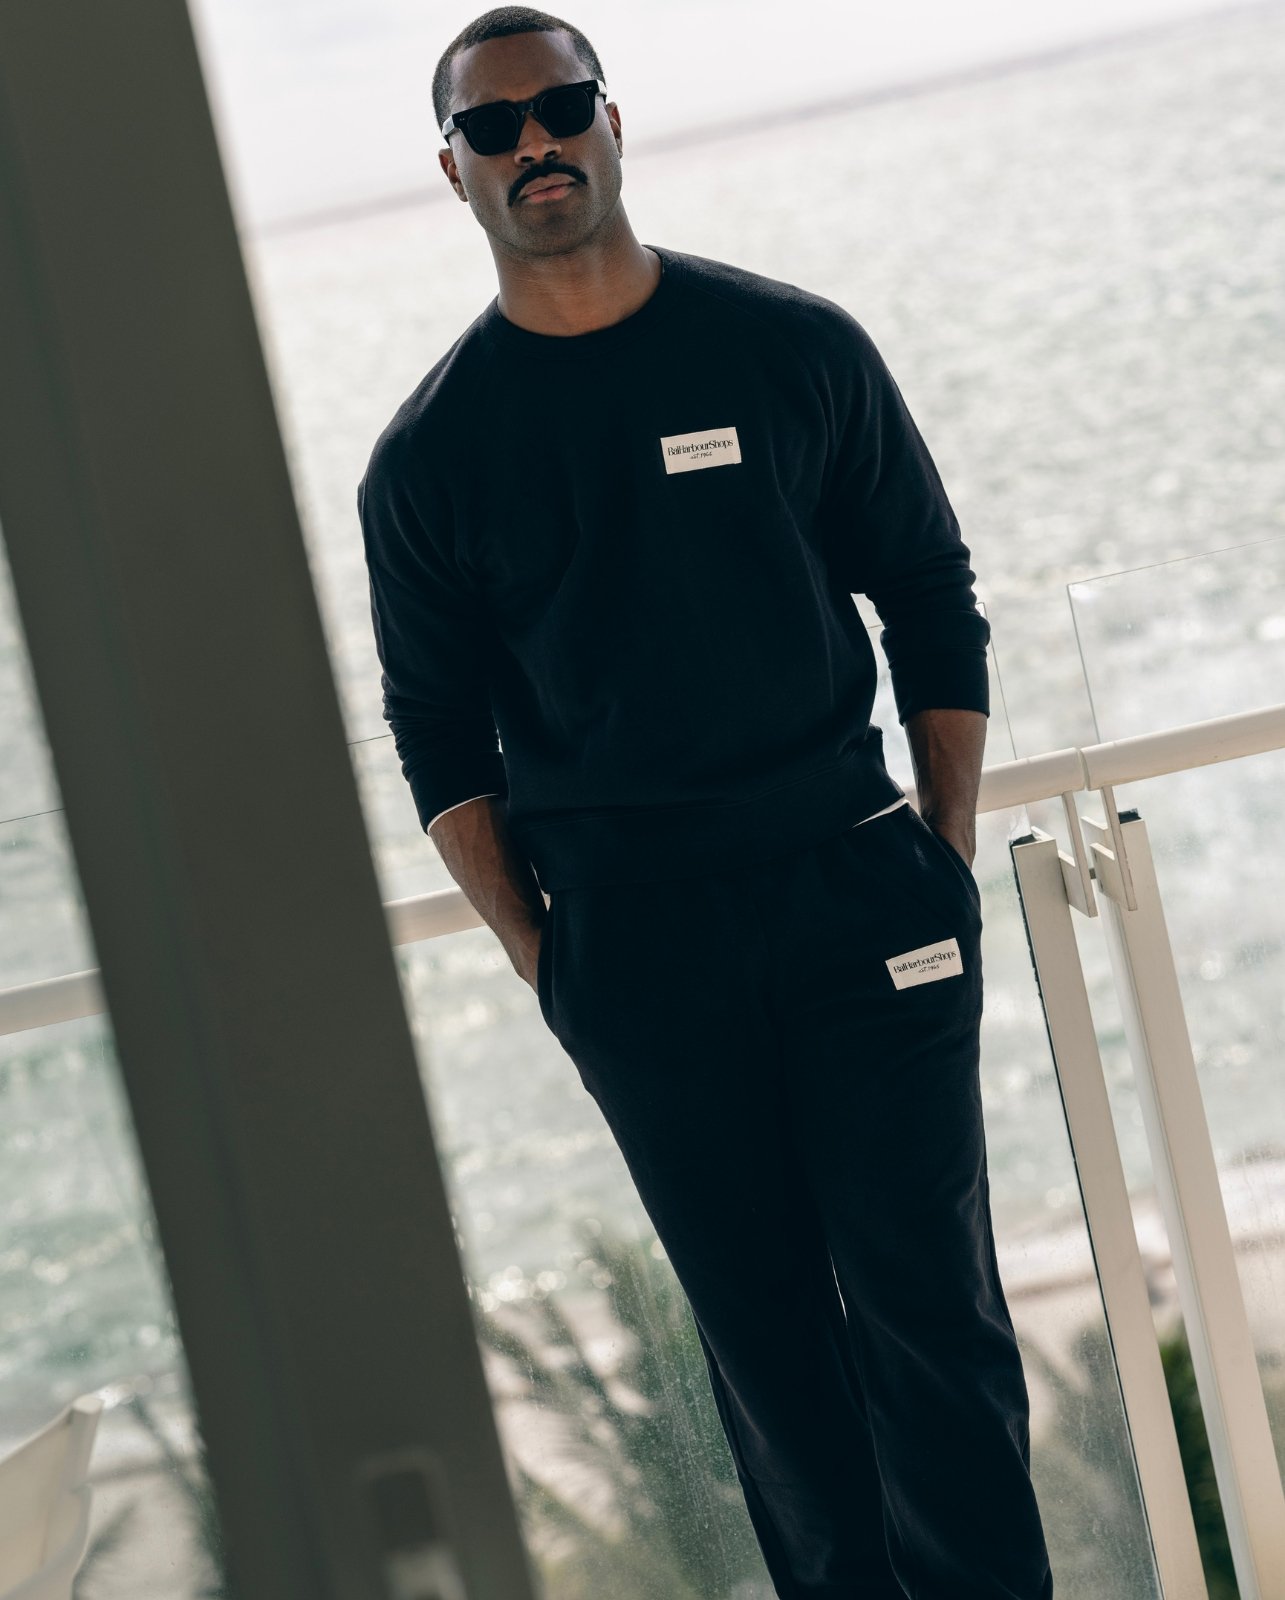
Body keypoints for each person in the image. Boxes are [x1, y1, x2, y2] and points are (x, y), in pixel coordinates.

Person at [357, 8, 1054, 1596]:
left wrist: (936, 857)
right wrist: (556, 967)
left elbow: (929, 597)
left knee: (928, 1319)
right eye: (494, 127)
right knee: (769, 1361)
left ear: (613, 122)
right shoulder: (433, 457)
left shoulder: (790, 348)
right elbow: (438, 739)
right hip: (640, 954)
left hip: (856, 894)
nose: (533, 142)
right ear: (455, 172)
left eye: (560, 107)